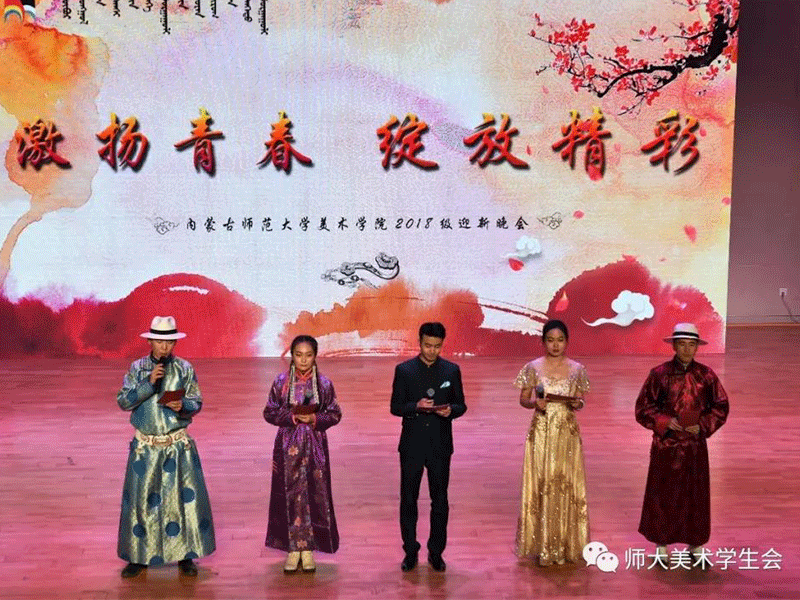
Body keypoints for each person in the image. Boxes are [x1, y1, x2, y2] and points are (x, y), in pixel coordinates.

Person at [116, 316, 216, 578]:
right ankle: (139, 556)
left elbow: (196, 401)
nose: (164, 347)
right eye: (159, 342)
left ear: (174, 343)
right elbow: (124, 401)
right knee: (141, 501)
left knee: (181, 501)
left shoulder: (184, 368)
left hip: (176, 445)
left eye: (169, 342)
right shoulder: (137, 368)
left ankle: (185, 554)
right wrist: (149, 384)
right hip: (146, 447)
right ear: (150, 341)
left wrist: (183, 406)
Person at [635, 323, 729, 566]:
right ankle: (661, 544)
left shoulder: (706, 376)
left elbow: (720, 406)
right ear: (674, 346)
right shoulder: (659, 374)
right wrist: (665, 422)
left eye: (691, 344)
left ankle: (695, 543)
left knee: (695, 495)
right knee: (662, 494)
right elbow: (643, 408)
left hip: (694, 446)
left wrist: (703, 425)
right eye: (682, 344)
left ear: (697, 347)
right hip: (666, 445)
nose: (687, 349)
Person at [390, 322, 467, 572]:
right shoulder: (404, 370)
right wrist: (416, 406)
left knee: (440, 500)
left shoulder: (451, 371)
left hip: (440, 445)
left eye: (436, 346)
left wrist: (450, 410)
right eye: (427, 345)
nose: (432, 350)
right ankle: (410, 551)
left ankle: (436, 552)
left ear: (442, 344)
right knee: (408, 499)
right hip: (411, 444)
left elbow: (461, 405)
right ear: (419, 342)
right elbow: (395, 406)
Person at [513, 319, 590, 566]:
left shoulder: (577, 369)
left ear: (567, 342)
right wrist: (534, 403)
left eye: (560, 340)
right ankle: (542, 544)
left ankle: (567, 544)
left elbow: (580, 400)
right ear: (543, 342)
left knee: (566, 481)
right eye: (550, 340)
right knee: (542, 480)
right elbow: (523, 399)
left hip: (566, 432)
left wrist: (577, 403)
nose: (555, 345)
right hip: (542, 430)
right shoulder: (533, 367)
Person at [263, 335, 342, 573]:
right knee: (287, 493)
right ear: (292, 356)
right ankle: (292, 549)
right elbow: (269, 412)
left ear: (315, 356)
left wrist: (315, 418)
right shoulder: (281, 382)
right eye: (298, 355)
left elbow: (335, 414)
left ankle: (308, 549)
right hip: (287, 446)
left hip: (314, 446)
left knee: (313, 494)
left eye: (308, 355)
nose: (303, 360)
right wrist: (292, 417)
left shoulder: (324, 384)